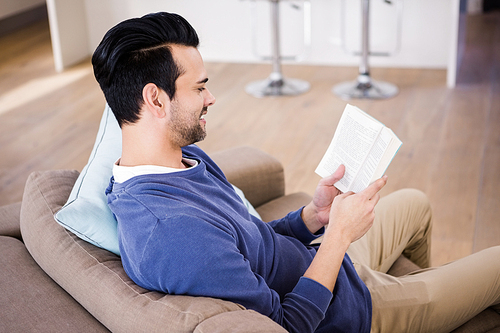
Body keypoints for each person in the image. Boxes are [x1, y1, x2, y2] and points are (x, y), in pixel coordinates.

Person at [92, 12, 500, 333]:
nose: (211, 97)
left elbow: (253, 243)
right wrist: (338, 236)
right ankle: (419, 308)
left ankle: (431, 299)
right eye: (199, 88)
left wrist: (313, 218)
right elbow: (286, 325)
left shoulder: (182, 161)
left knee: (416, 204)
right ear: (155, 99)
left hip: (328, 263)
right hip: (351, 313)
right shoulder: (171, 234)